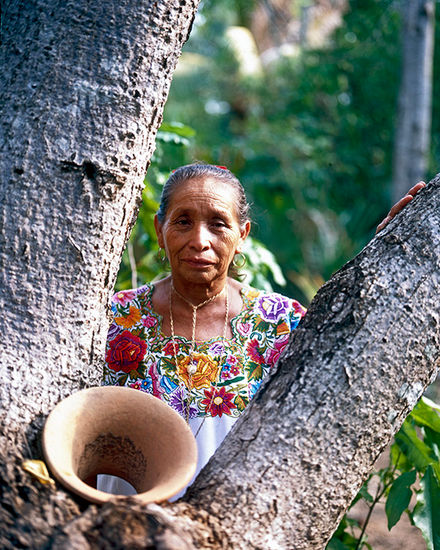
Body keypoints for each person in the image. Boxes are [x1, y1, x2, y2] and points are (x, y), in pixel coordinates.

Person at [100, 163, 425, 495]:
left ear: (242, 235)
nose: (200, 240)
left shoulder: (281, 322)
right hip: (117, 528)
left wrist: (387, 252)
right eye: (183, 222)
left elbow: (355, 364)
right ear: (159, 229)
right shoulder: (110, 318)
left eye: (218, 224)